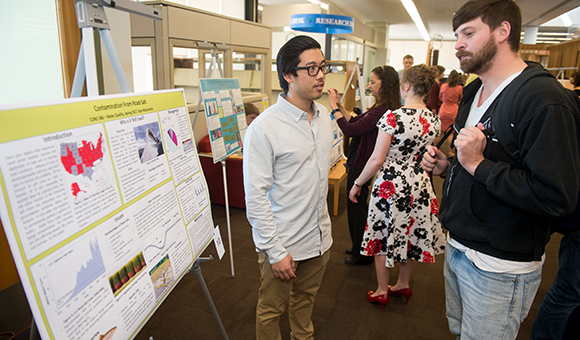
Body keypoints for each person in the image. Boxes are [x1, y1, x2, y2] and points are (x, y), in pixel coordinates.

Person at [420, 0, 580, 338]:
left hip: (499, 265)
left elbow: (555, 196)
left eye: (468, 32)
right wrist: (450, 167)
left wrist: (478, 164)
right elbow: (483, 168)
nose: (458, 44)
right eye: (456, 35)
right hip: (460, 246)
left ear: (502, 31)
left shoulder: (542, 98)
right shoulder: (475, 90)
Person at [243, 35, 333, 340]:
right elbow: (255, 197)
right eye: (311, 69)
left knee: (305, 303)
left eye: (323, 66)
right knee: (271, 310)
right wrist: (275, 251)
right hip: (283, 244)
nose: (320, 75)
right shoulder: (264, 128)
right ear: (288, 75)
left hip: (319, 239)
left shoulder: (323, 118)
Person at [350, 64, 446, 310]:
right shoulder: (433, 119)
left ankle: (382, 289)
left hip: (391, 185)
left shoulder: (393, 117)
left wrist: (358, 183)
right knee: (409, 231)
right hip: (420, 183)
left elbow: (377, 159)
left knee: (383, 232)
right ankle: (403, 283)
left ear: (406, 86)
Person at [327, 65, 401, 265]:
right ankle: (359, 245)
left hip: (362, 164)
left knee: (357, 208)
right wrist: (340, 106)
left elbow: (350, 130)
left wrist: (333, 108)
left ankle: (362, 253)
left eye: (373, 81)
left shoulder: (381, 111)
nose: (369, 85)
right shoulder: (381, 108)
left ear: (384, 85)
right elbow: (354, 120)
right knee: (358, 208)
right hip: (361, 162)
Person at [437, 70, 463, 155]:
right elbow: (460, 99)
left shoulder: (444, 86)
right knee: (451, 132)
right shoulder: (459, 88)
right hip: (454, 110)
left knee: (439, 131)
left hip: (443, 109)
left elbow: (440, 97)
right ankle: (450, 151)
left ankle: (436, 148)